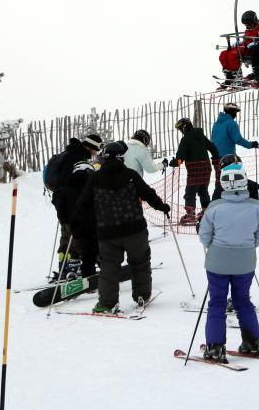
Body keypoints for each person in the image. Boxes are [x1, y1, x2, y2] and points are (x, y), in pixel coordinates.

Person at [75, 142, 169, 314]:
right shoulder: (131, 175)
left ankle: (107, 303)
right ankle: (142, 294)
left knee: (109, 267)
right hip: (135, 229)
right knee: (140, 262)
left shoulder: (95, 178)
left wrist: (77, 218)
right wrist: (161, 207)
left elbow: (82, 203)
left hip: (107, 232)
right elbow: (148, 194)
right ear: (120, 157)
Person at [198, 165, 259, 362]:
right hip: (245, 262)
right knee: (243, 300)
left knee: (217, 302)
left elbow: (204, 235)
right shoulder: (255, 207)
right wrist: (248, 245)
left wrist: (214, 247)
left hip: (217, 262)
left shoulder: (214, 208)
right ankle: (253, 342)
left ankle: (215, 346)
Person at [50, 134, 103, 277]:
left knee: (66, 234)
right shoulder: (77, 157)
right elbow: (72, 183)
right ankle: (74, 266)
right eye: (96, 149)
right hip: (69, 202)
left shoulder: (70, 153)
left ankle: (65, 265)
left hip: (61, 201)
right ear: (91, 147)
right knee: (77, 234)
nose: (96, 153)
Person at [171, 117, 220, 225]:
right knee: (203, 190)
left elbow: (180, 159)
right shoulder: (201, 136)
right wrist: (216, 160)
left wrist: (173, 162)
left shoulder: (185, 139)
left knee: (190, 193)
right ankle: (206, 211)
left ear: (183, 128)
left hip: (194, 170)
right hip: (207, 168)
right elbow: (213, 148)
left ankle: (190, 215)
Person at [218, 10, 259, 88]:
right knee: (223, 54)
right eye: (245, 25)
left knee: (232, 55)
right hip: (245, 47)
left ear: (254, 21)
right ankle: (230, 76)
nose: (247, 26)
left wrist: (254, 43)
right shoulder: (248, 30)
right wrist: (239, 42)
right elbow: (245, 40)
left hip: (253, 49)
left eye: (249, 24)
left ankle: (238, 77)